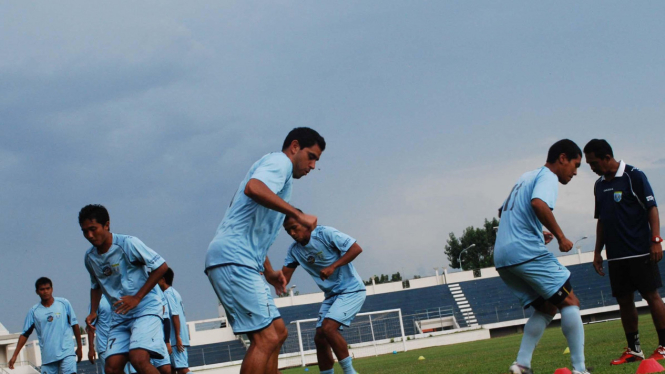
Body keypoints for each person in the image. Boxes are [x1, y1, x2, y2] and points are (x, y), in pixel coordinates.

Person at [205, 127, 325, 374]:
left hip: (243, 260)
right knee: (266, 337)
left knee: (278, 333)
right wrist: (297, 214)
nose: (313, 166)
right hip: (232, 259)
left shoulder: (281, 178)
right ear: (294, 147)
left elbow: (253, 232)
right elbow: (254, 187)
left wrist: (269, 272)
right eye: (311, 156)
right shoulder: (279, 162)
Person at [494, 139, 588, 374]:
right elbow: (538, 204)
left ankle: (522, 364)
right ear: (563, 158)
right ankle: (580, 370)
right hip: (525, 252)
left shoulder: (525, 177)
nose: (575, 172)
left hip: (503, 257)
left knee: (547, 307)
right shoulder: (548, 177)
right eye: (575, 165)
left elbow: (502, 211)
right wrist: (560, 236)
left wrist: (536, 230)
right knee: (570, 302)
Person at [584, 139, 664, 365]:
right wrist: (598, 251)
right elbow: (601, 220)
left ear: (607, 158)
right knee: (624, 301)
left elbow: (652, 208)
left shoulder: (634, 176)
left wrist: (656, 239)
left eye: (593, 162)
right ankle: (634, 349)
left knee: (652, 296)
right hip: (616, 256)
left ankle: (664, 346)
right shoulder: (599, 184)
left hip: (639, 251)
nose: (591, 168)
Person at [80, 204, 170, 374]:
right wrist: (93, 312)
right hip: (120, 314)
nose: (89, 235)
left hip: (145, 309)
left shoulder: (128, 243)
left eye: (93, 229)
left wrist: (137, 297)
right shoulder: (90, 257)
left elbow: (162, 267)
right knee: (112, 367)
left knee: (138, 358)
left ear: (106, 225)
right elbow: (96, 285)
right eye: (85, 231)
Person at [281, 214, 365, 374]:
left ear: (304, 223)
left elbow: (356, 249)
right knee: (320, 338)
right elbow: (284, 278)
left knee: (328, 329)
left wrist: (333, 266)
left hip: (352, 290)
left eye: (294, 228)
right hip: (331, 296)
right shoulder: (294, 251)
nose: (291, 233)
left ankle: (350, 372)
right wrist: (266, 272)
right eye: (287, 231)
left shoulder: (324, 234)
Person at [9, 277, 83, 374]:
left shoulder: (64, 303)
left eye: (48, 288)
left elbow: (74, 324)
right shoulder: (34, 312)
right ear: (37, 292)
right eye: (42, 289)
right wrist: (15, 355)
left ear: (52, 289)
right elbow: (25, 334)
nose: (45, 292)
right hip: (48, 357)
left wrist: (79, 347)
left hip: (67, 353)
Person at [158, 268, 190, 374]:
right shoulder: (174, 292)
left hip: (176, 341)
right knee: (171, 370)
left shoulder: (167, 294)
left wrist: (177, 337)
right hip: (176, 339)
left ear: (162, 279)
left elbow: (175, 315)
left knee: (182, 369)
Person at [87, 295, 112, 374]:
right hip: (104, 347)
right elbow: (90, 326)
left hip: (121, 346)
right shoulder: (96, 302)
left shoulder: (118, 296)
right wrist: (91, 348)